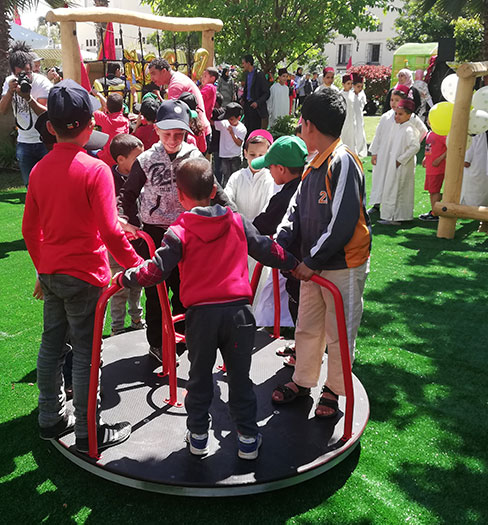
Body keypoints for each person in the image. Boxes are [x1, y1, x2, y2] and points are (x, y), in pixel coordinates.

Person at [119, 157, 298, 459]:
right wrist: (294, 264)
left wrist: (127, 276)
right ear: (214, 189)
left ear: (180, 196)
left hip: (201, 317)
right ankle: (247, 437)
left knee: (200, 378)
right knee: (240, 379)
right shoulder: (237, 222)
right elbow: (268, 249)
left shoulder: (179, 230)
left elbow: (157, 270)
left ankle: (199, 435)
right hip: (240, 314)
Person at [22, 79, 144, 453]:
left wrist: (43, 268)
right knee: (89, 352)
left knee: (52, 346)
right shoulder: (95, 170)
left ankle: (50, 417)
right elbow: (109, 231)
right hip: (86, 276)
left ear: (51, 127)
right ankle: (89, 430)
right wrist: (138, 265)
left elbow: (30, 229)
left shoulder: (40, 169)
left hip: (53, 273)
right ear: (91, 124)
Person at [271, 88, 371, 419]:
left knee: (339, 330)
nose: (300, 128)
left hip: (341, 265)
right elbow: (296, 208)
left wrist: (311, 261)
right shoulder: (314, 162)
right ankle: (303, 380)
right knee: (308, 325)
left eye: (301, 122)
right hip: (311, 266)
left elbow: (342, 221)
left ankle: (334, 389)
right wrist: (284, 238)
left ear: (310, 125)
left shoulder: (342, 161)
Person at [118, 100, 232, 362]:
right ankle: (157, 343)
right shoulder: (146, 159)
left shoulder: (194, 157)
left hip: (188, 231)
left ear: (186, 133)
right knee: (156, 292)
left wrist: (232, 216)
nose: (172, 140)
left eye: (178, 134)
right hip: (155, 233)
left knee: (185, 290)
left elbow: (215, 190)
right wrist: (130, 221)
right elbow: (128, 193)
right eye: (167, 134)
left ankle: (181, 339)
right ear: (156, 130)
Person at [250, 135, 308, 337]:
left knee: (299, 308)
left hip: (297, 267)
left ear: (281, 169)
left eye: (270, 167)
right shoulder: (308, 186)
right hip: (309, 262)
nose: (268, 171)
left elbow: (261, 225)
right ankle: (301, 349)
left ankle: (302, 355)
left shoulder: (284, 197)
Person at [108, 134, 146, 334]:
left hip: (137, 238)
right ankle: (117, 326)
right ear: (120, 159)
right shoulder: (109, 180)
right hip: (116, 241)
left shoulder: (141, 175)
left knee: (137, 282)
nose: (141, 162)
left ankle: (137, 318)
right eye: (137, 158)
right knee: (119, 285)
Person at [0, 41, 52, 187]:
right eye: (20, 74)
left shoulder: (42, 82)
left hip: (44, 142)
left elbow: (46, 114)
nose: (25, 77)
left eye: (28, 72)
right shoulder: (9, 82)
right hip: (24, 142)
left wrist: (28, 98)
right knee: (30, 187)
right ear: (12, 73)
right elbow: (2, 110)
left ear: (33, 68)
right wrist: (10, 92)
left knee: (48, 185)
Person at [377, 99, 421, 226]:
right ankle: (393, 215)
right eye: (396, 114)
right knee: (392, 187)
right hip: (395, 164)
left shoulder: (409, 129)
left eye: (400, 114)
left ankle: (395, 216)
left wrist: (400, 160)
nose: (397, 116)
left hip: (402, 165)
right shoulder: (399, 128)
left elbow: (415, 147)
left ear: (409, 115)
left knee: (398, 188)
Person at [148, 58, 212, 139]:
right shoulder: (177, 78)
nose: (151, 78)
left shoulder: (176, 84)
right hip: (198, 130)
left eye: (153, 74)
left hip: (195, 134)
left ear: (164, 71)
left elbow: (170, 114)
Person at [368, 89, 405, 216]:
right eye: (392, 100)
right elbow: (378, 135)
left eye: (397, 100)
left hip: (396, 155)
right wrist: (374, 152)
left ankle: (390, 206)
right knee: (379, 177)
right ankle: (376, 204)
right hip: (383, 154)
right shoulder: (386, 117)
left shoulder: (406, 117)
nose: (393, 103)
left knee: (393, 179)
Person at [213, 102, 247, 186]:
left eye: (231, 119)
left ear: (238, 118)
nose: (229, 121)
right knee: (226, 176)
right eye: (228, 119)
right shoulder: (224, 123)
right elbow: (213, 123)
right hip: (224, 156)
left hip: (236, 156)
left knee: (235, 176)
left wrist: (232, 133)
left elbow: (239, 143)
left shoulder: (242, 129)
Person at [93, 93, 130, 167]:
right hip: (120, 159)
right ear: (122, 108)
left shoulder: (106, 119)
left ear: (106, 108)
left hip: (106, 158)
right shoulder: (126, 122)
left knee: (89, 150)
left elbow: (92, 110)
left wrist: (98, 95)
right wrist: (99, 95)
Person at [420, 125, 447, 222]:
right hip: (430, 168)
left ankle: (436, 213)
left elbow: (450, 147)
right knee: (431, 190)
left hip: (438, 168)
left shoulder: (442, 134)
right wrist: (425, 158)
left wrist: (439, 159)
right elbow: (429, 147)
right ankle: (434, 211)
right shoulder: (430, 133)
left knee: (434, 191)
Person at [240, 54, 270, 133]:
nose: (242, 65)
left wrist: (257, 102)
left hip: (256, 109)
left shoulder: (259, 75)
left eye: (243, 63)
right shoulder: (247, 75)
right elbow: (247, 90)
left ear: (248, 63)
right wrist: (243, 98)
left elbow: (267, 93)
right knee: (247, 130)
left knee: (255, 131)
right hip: (248, 107)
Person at [352, 75, 368, 157]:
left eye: (361, 86)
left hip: (359, 116)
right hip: (352, 117)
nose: (360, 88)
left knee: (360, 132)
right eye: (358, 86)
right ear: (353, 86)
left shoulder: (362, 94)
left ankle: (359, 149)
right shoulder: (350, 94)